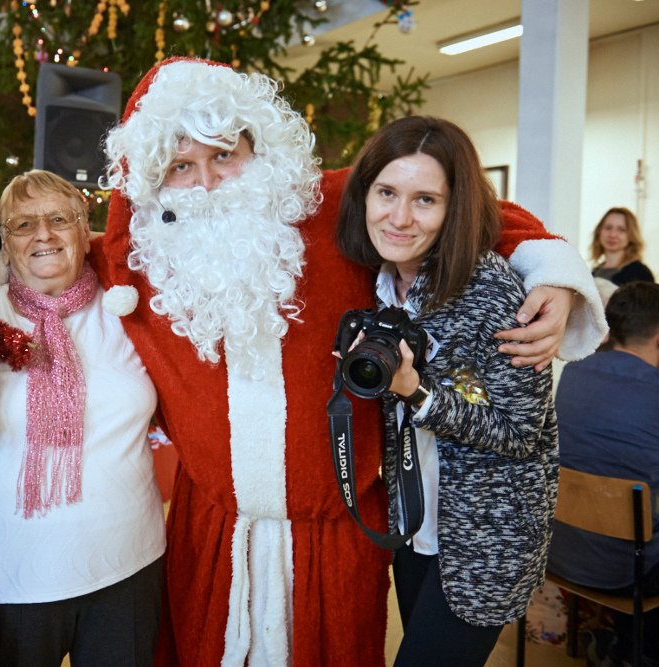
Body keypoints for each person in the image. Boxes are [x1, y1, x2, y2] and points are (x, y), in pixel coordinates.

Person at [91, 57, 606, 666]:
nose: (206, 182)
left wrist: (553, 272)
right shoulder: (142, 254)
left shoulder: (331, 204)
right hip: (212, 533)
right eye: (181, 166)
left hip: (344, 528)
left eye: (224, 155)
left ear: (256, 149)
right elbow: (44, 252)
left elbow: (480, 215)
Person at [335, 115, 559, 666]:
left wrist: (417, 393)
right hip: (415, 522)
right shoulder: (380, 282)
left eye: (425, 200)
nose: (399, 218)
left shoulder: (492, 292)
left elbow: (520, 432)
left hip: (486, 538)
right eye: (386, 192)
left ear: (454, 207)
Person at [0, 169, 165, 666]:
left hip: (129, 564)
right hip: (13, 576)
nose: (43, 234)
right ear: (4, 244)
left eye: (60, 219)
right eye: (23, 225)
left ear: (85, 233)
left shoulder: (129, 308)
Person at [548, 281, 659, 667]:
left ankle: (619, 641)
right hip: (627, 572)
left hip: (560, 553)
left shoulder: (575, 372)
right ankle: (636, 651)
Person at [590, 207, 655, 286]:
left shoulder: (641, 274)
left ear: (631, 235)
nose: (613, 235)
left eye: (621, 230)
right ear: (599, 231)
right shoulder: (593, 273)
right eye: (608, 228)